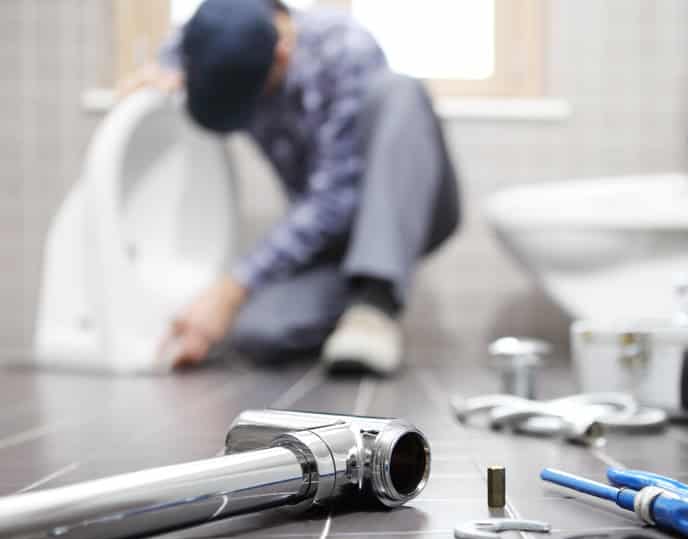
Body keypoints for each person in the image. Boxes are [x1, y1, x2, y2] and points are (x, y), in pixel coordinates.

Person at [134, 0, 460, 374]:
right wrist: (161, 70)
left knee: (398, 91)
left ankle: (375, 302)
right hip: (332, 241)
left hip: (403, 201)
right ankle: (352, 307)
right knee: (257, 332)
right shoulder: (215, 35)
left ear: (282, 52)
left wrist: (231, 288)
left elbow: (335, 198)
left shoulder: (343, 47)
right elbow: (182, 43)